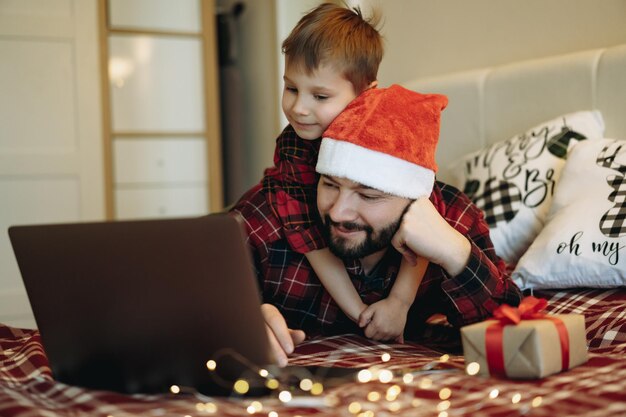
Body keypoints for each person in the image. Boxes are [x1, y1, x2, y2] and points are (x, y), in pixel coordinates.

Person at [232, 84, 523, 367]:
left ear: (413, 197)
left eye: (368, 195)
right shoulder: (267, 217)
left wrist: (456, 253)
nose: (338, 212)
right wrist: (240, 320)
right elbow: (191, 300)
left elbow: (514, 341)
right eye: (330, 185)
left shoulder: (454, 218)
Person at [259, 2, 428, 345]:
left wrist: (400, 301)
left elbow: (423, 219)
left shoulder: (392, 137)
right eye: (291, 88)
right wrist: (360, 312)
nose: (298, 108)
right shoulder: (294, 146)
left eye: (320, 95)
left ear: (365, 95)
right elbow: (308, 237)